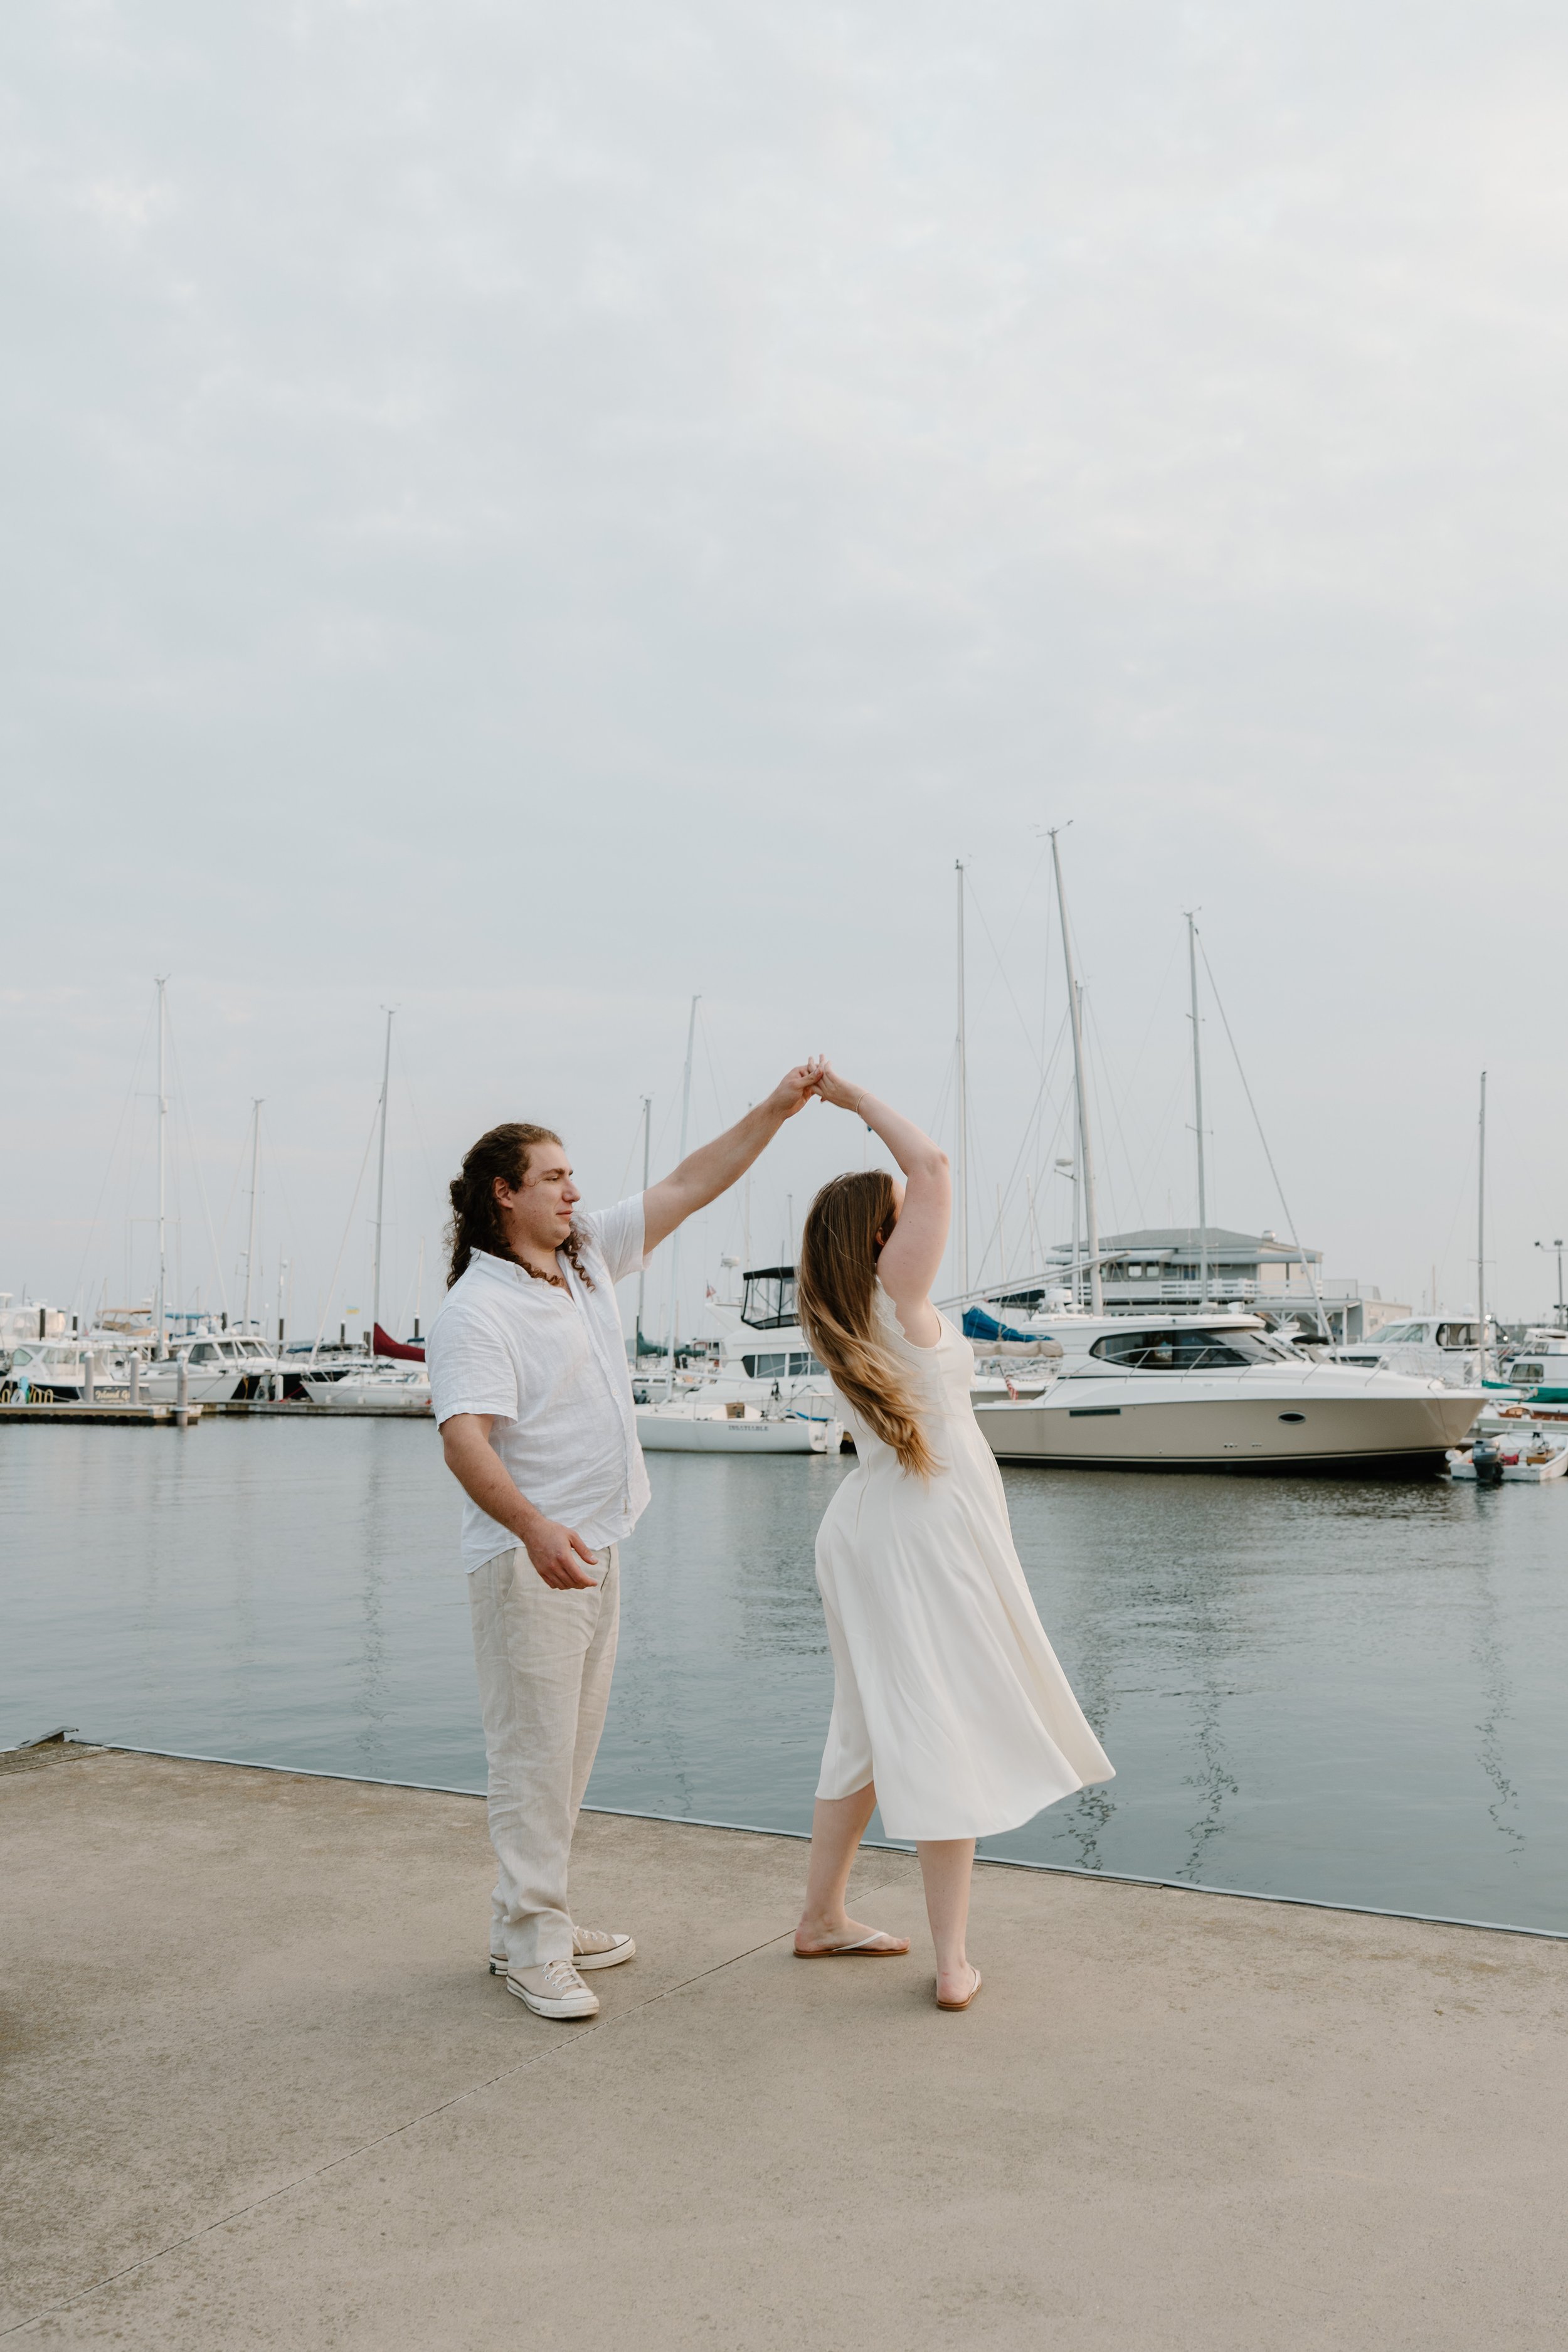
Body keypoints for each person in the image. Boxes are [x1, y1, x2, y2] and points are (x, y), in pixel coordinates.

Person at [428, 1067, 822, 2020]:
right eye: (555, 1176)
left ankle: (533, 1922)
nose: (574, 1190)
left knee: (568, 1758)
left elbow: (694, 1180)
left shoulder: (587, 1256)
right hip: (529, 1562)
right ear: (504, 1194)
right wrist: (532, 1527)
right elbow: (465, 1439)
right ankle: (531, 1944)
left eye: (574, 1175)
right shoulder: (476, 1311)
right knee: (532, 1757)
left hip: (598, 1548)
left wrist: (773, 1107)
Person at [791, 1065, 1113, 2010]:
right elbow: (930, 1162)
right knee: (944, 1721)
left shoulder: (845, 1311)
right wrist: (855, 1102)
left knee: (867, 1723)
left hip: (872, 1522)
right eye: (899, 1213)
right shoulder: (896, 1297)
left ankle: (821, 1916)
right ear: (884, 1239)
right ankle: (953, 1959)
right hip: (922, 1530)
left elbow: (919, 1179)